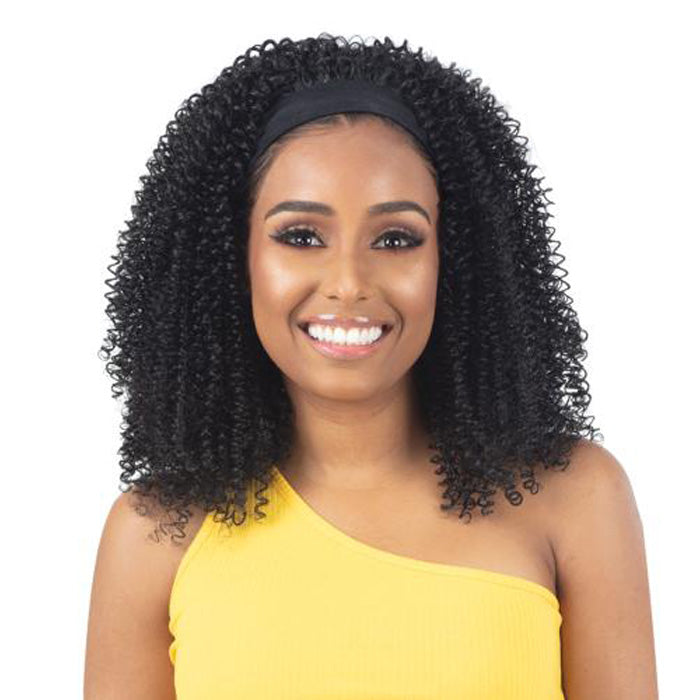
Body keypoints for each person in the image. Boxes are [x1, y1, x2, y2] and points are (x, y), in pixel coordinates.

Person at [84, 33, 658, 699]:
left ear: (453, 261)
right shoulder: (156, 538)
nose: (349, 283)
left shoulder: (574, 500)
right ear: (231, 260)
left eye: (396, 238)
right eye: (301, 236)